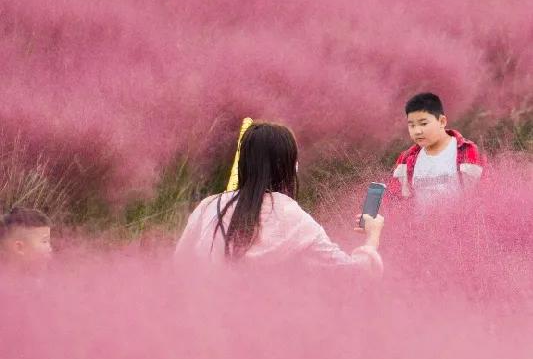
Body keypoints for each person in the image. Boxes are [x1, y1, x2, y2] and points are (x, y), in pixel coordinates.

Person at [175, 122, 384, 271]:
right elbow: (353, 273)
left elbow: (179, 266)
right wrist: (372, 237)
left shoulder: (208, 206)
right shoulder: (294, 219)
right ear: (287, 166)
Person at [388, 93, 485, 207]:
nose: (417, 131)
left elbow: (484, 195)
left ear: (442, 121)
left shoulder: (467, 151)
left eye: (423, 124)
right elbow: (394, 200)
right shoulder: (406, 159)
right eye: (412, 125)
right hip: (420, 225)